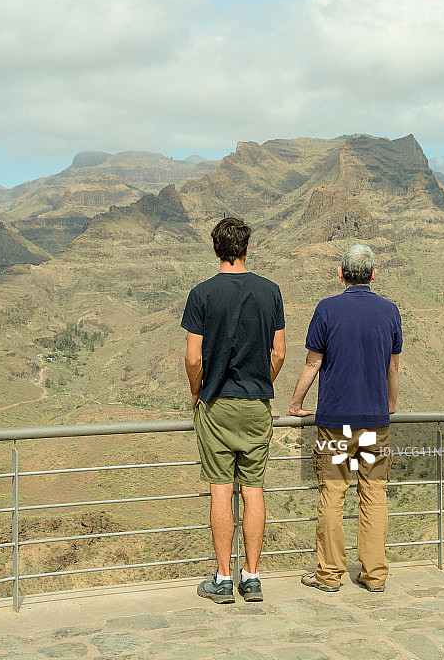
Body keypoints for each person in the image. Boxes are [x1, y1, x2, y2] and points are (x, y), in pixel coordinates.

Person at [181, 216, 286, 604]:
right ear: (247, 248)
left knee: (221, 491)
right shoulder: (271, 291)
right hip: (256, 405)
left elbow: (193, 358)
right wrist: (261, 381)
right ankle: (252, 578)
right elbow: (279, 353)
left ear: (215, 250)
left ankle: (223, 579)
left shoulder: (201, 294)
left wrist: (197, 392)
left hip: (217, 405)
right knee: (254, 490)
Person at [287, 243, 401, 593]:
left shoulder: (327, 309)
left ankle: (329, 574)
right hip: (374, 423)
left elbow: (313, 363)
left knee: (333, 494)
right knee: (374, 494)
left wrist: (295, 404)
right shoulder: (389, 311)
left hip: (336, 423)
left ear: (340, 274)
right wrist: (389, 404)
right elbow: (393, 367)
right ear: (373, 275)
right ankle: (375, 575)